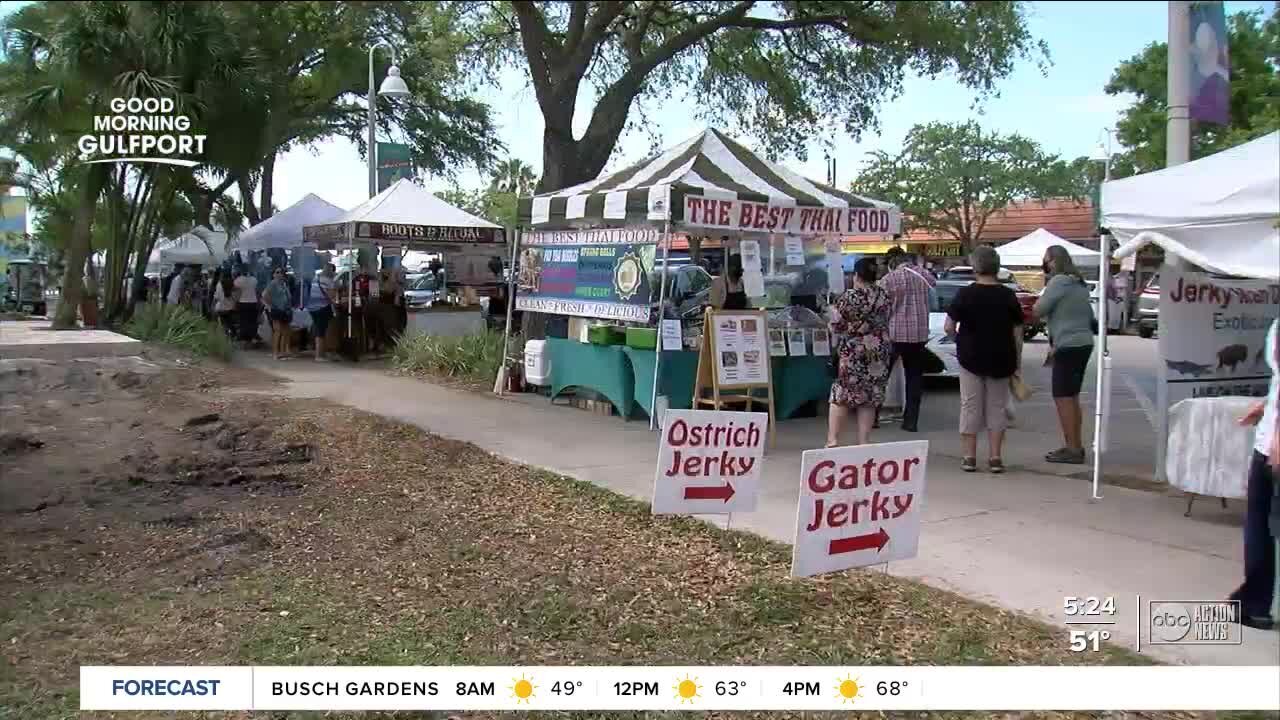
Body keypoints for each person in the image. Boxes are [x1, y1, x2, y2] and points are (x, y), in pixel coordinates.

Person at [944, 246, 1024, 473]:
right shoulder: (1008, 295)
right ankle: (995, 457)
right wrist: (1017, 360)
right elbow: (1017, 332)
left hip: (970, 356)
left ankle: (969, 457)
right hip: (1001, 357)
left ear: (975, 266)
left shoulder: (965, 294)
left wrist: (960, 340)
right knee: (996, 408)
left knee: (970, 405)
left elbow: (949, 326)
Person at [1231, 318, 1279, 630]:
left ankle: (1255, 602)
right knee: (1260, 524)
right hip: (1269, 437)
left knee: (1262, 524)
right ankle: (1254, 603)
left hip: (1272, 446)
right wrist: (1265, 406)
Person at [1032, 245, 1095, 464]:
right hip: (1083, 343)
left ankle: (1073, 449)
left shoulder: (1059, 282)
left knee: (1063, 398)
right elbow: (1090, 317)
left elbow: (1039, 309)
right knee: (1072, 397)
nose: (1045, 264)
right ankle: (1075, 445)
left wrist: (1044, 290)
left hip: (1067, 344)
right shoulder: (1079, 284)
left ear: (1054, 261)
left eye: (1047, 260)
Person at [826, 257, 893, 447]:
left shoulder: (849, 297)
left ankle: (833, 439)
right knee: (870, 396)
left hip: (853, 351)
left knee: (842, 395)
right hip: (878, 350)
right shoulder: (884, 296)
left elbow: (836, 326)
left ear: (856, 275)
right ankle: (864, 441)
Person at [879, 251, 936, 432]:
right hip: (918, 334)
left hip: (894, 334)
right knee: (914, 378)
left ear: (893, 263)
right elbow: (933, 289)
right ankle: (911, 421)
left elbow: (882, 308)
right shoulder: (924, 276)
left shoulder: (889, 279)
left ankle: (872, 417)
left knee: (882, 376)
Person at [261, 266, 293, 360]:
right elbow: (264, 296)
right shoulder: (273, 283)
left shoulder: (284, 284)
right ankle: (275, 353)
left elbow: (288, 297)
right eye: (277, 272)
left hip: (285, 310)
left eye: (281, 272)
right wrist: (270, 305)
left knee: (285, 331)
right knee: (278, 331)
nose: (279, 274)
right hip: (276, 310)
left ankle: (282, 352)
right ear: (274, 274)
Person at [307, 263, 336, 361]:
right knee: (321, 330)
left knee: (317, 328)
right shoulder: (329, 281)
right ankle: (319, 355)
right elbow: (331, 296)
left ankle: (320, 352)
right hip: (322, 307)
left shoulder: (315, 278)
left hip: (311, 307)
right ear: (331, 271)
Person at [232, 264, 259, 347]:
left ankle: (244, 340)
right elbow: (257, 291)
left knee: (243, 321)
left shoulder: (237, 281)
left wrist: (235, 303)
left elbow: (236, 293)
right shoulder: (254, 280)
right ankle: (252, 338)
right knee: (252, 321)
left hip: (242, 302)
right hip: (253, 302)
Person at [212, 268, 238, 337]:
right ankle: (231, 332)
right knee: (229, 322)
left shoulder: (219, 284)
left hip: (221, 309)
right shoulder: (234, 284)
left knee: (222, 321)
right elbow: (236, 297)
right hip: (231, 309)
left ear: (222, 275)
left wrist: (212, 306)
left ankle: (223, 333)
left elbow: (216, 298)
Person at [80, 261, 99, 327]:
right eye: (86, 268)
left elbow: (95, 290)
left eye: (87, 268)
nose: (86, 270)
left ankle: (91, 323)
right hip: (85, 299)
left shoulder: (93, 279)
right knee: (87, 312)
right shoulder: (83, 279)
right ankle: (87, 322)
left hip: (91, 299)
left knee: (91, 312)